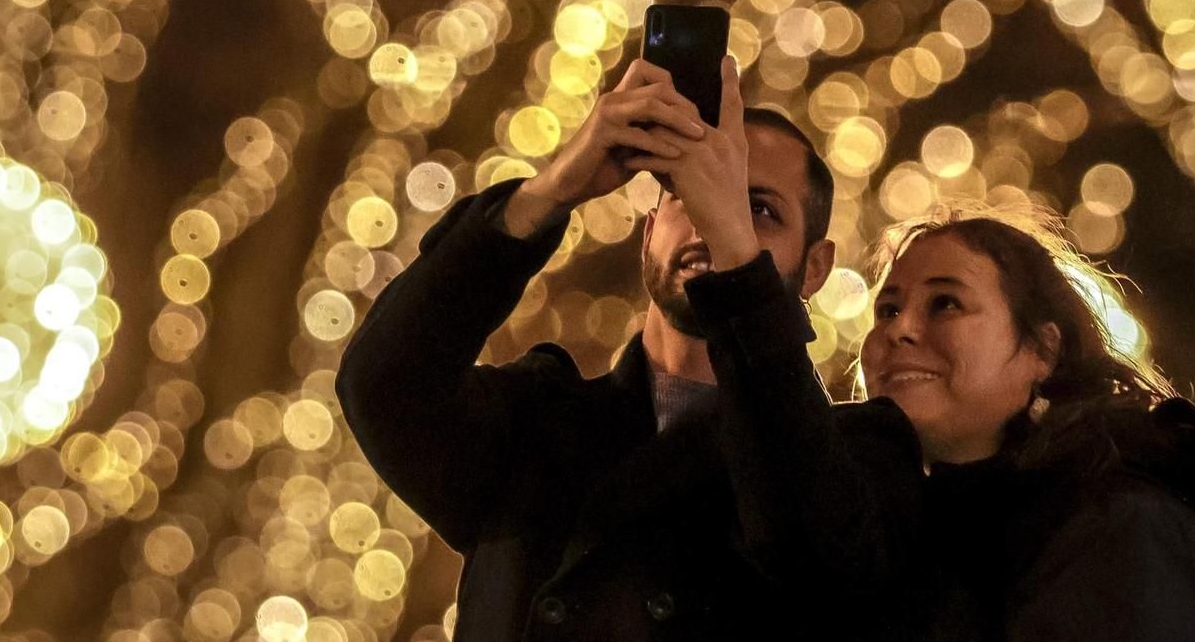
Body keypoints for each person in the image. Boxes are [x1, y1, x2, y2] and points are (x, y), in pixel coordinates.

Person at [336, 54, 922, 642]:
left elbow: (813, 557)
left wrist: (739, 267)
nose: (710, 223)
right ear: (648, 232)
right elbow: (385, 383)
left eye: (758, 210)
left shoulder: (857, 458)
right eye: (688, 196)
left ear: (815, 267)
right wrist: (553, 187)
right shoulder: (537, 426)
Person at [861, 211, 1195, 640]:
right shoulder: (889, 540)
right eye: (887, 310)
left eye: (945, 303)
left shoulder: (1122, 532)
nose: (899, 329)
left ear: (1042, 350)